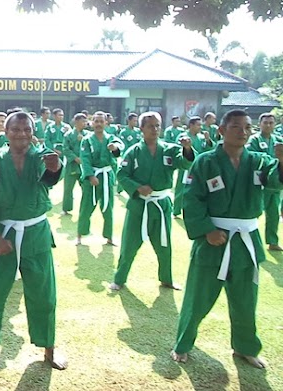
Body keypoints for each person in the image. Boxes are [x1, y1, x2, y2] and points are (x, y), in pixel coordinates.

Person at [171, 109, 283, 369]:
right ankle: (183, 344)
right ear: (221, 130)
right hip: (213, 239)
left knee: (246, 298)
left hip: (246, 241)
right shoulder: (205, 161)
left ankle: (245, 347)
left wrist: (281, 163)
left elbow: (275, 183)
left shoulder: (259, 160)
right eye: (236, 127)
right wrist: (206, 229)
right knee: (198, 297)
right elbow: (192, 198)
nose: (243, 132)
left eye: (247, 127)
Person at [0, 110, 67, 371]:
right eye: (16, 130)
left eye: (27, 129)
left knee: (44, 294)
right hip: (2, 233)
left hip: (35, 233)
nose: (22, 134)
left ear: (33, 132)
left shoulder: (41, 157)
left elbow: (50, 177)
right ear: (5, 133)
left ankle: (48, 348)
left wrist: (55, 169)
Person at [110, 112, 194, 291]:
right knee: (129, 244)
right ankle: (119, 278)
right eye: (150, 126)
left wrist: (187, 149)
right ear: (142, 129)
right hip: (139, 205)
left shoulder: (169, 149)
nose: (155, 129)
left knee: (164, 244)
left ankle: (167, 278)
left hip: (161, 204)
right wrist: (138, 187)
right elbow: (122, 174)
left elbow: (184, 163)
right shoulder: (133, 152)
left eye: (157, 126)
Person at [76, 111, 124, 245]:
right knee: (86, 206)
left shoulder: (111, 138)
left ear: (106, 123)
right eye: (96, 121)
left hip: (107, 176)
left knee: (108, 207)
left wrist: (115, 148)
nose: (98, 124)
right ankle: (80, 235)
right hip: (92, 177)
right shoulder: (87, 140)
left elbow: (120, 148)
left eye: (101, 121)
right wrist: (90, 175)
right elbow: (84, 159)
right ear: (92, 123)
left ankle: (109, 236)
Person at [246, 113, 283, 251]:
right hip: (259, 183)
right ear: (260, 124)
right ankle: (250, 239)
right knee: (255, 211)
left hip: (275, 184)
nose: (268, 125)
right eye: (265, 122)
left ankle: (272, 241)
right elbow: (251, 155)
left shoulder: (278, 140)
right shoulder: (254, 139)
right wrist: (272, 159)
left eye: (271, 123)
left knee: (273, 214)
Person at [173, 116, 213, 217]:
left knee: (198, 188)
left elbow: (207, 150)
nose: (200, 127)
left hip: (199, 167)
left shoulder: (201, 137)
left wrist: (208, 140)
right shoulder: (183, 136)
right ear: (191, 125)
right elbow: (178, 150)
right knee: (181, 188)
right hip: (186, 166)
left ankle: (194, 209)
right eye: (198, 125)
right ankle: (176, 210)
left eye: (201, 125)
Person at [61, 112, 88, 214]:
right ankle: (66, 208)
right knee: (68, 188)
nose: (85, 123)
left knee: (86, 187)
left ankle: (85, 208)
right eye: (82, 121)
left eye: (85, 121)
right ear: (76, 122)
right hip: (72, 165)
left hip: (84, 166)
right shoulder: (68, 135)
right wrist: (75, 158)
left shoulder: (87, 135)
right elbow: (66, 149)